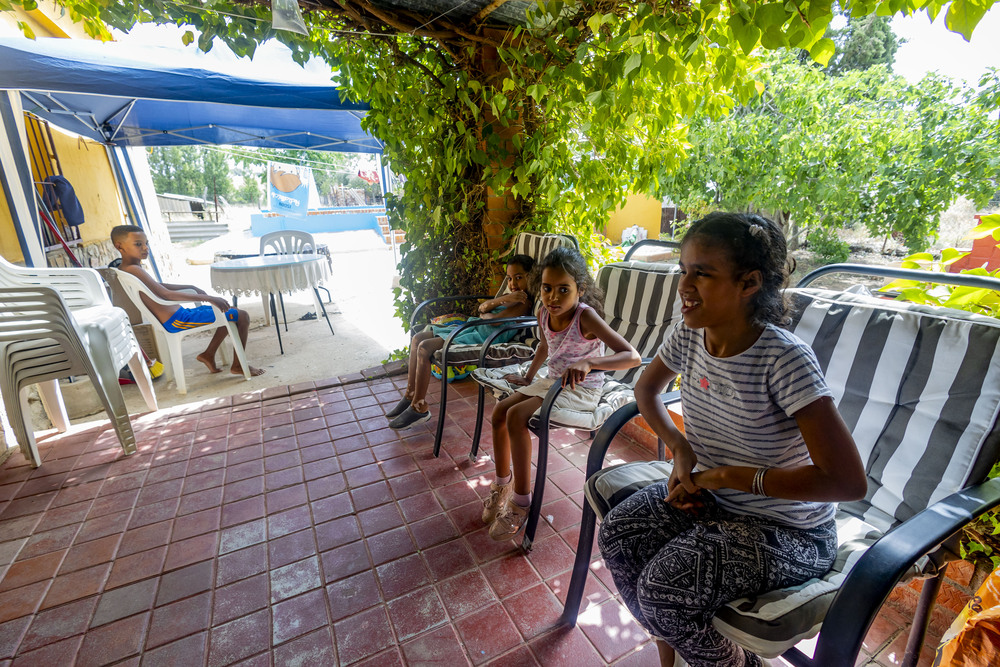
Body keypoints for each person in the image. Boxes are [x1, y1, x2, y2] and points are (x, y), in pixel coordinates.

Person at [597, 212, 867, 667]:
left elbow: (846, 482)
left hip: (791, 531)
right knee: (620, 535)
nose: (684, 285)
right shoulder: (690, 333)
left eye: (702, 273)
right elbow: (647, 389)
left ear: (749, 283)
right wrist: (681, 450)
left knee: (663, 590)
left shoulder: (783, 360)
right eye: (683, 270)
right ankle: (679, 657)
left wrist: (724, 477)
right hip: (715, 500)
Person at [483, 246, 641, 541]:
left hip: (582, 390)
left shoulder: (586, 317)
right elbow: (545, 346)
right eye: (547, 288)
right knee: (499, 412)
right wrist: (528, 377)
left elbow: (631, 356)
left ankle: (520, 502)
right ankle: (502, 485)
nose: (553, 297)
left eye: (563, 290)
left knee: (516, 415)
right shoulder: (544, 312)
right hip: (552, 382)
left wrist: (591, 361)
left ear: (580, 290)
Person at [387, 255, 537, 430]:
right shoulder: (509, 297)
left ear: (531, 277)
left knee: (424, 347)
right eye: (509, 278)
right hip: (473, 327)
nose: (513, 284)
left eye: (519, 277)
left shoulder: (523, 303)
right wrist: (503, 299)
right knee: (417, 338)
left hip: (482, 337)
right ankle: (409, 394)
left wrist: (488, 311)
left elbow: (493, 320)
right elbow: (482, 308)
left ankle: (420, 407)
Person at [111, 225, 265, 378]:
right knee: (241, 315)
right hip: (178, 320)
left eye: (146, 243)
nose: (145, 248)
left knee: (228, 311)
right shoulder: (134, 269)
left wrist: (190, 286)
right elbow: (165, 294)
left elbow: (159, 286)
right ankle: (237, 365)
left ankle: (208, 354)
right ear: (119, 246)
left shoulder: (128, 268)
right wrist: (208, 298)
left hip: (180, 315)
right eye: (138, 244)